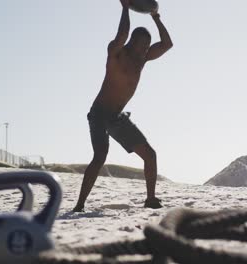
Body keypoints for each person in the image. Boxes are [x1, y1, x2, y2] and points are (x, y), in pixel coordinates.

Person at [73, 0, 173, 212]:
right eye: (142, 44)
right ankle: (80, 204)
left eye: (147, 45)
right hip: (99, 113)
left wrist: (156, 17)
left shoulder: (142, 60)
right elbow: (121, 35)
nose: (145, 49)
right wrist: (125, 8)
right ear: (132, 41)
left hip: (117, 116)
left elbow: (167, 44)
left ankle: (151, 199)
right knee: (100, 156)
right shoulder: (116, 53)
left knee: (150, 155)